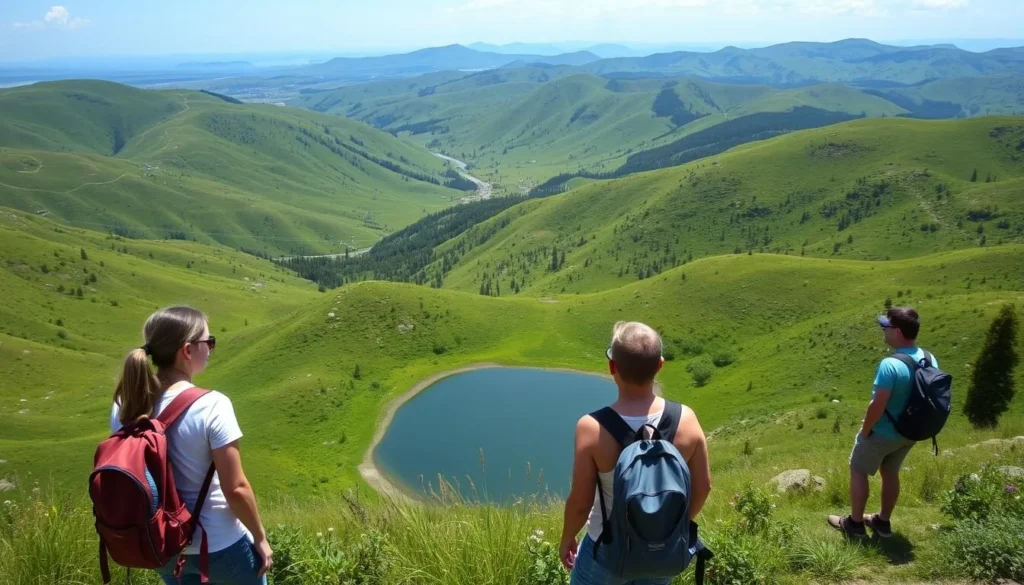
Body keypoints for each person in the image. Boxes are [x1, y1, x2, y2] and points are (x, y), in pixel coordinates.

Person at [110, 306, 273, 585]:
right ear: (187, 350)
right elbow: (235, 488)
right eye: (208, 342)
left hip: (163, 546)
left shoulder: (125, 406)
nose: (210, 349)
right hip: (220, 544)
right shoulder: (212, 404)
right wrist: (260, 538)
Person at [559, 321, 712, 585]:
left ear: (612, 367)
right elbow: (704, 487)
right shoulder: (686, 419)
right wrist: (666, 529)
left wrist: (567, 539)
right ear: (660, 365)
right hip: (662, 553)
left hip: (606, 552)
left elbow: (581, 503)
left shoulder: (592, 428)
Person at [828, 307, 937, 538]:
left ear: (897, 331)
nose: (882, 331)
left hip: (884, 432)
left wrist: (865, 430)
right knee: (891, 472)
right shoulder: (928, 357)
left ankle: (854, 525)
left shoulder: (890, 365)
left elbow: (877, 405)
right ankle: (882, 522)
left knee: (858, 470)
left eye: (885, 327)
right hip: (910, 432)